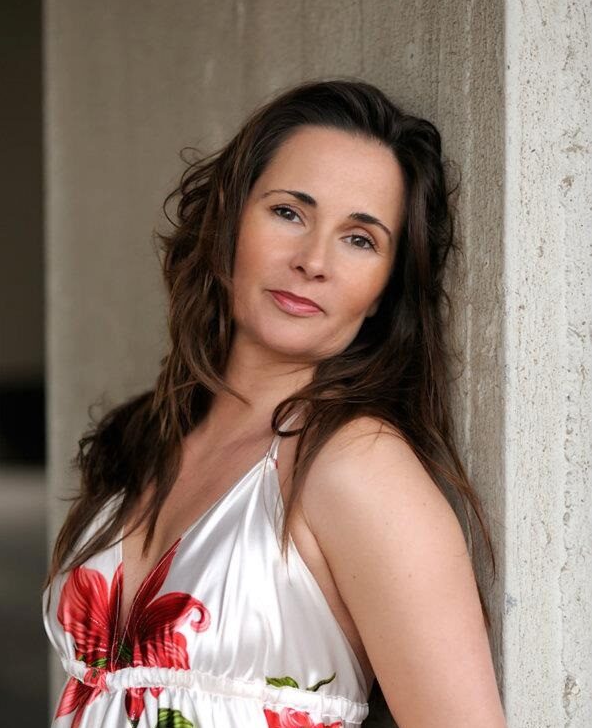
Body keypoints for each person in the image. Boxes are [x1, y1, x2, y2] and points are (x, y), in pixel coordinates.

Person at [42, 78, 507, 727]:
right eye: (289, 212)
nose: (313, 260)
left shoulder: (357, 466)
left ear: (383, 290)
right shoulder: (146, 438)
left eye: (360, 238)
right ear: (230, 220)